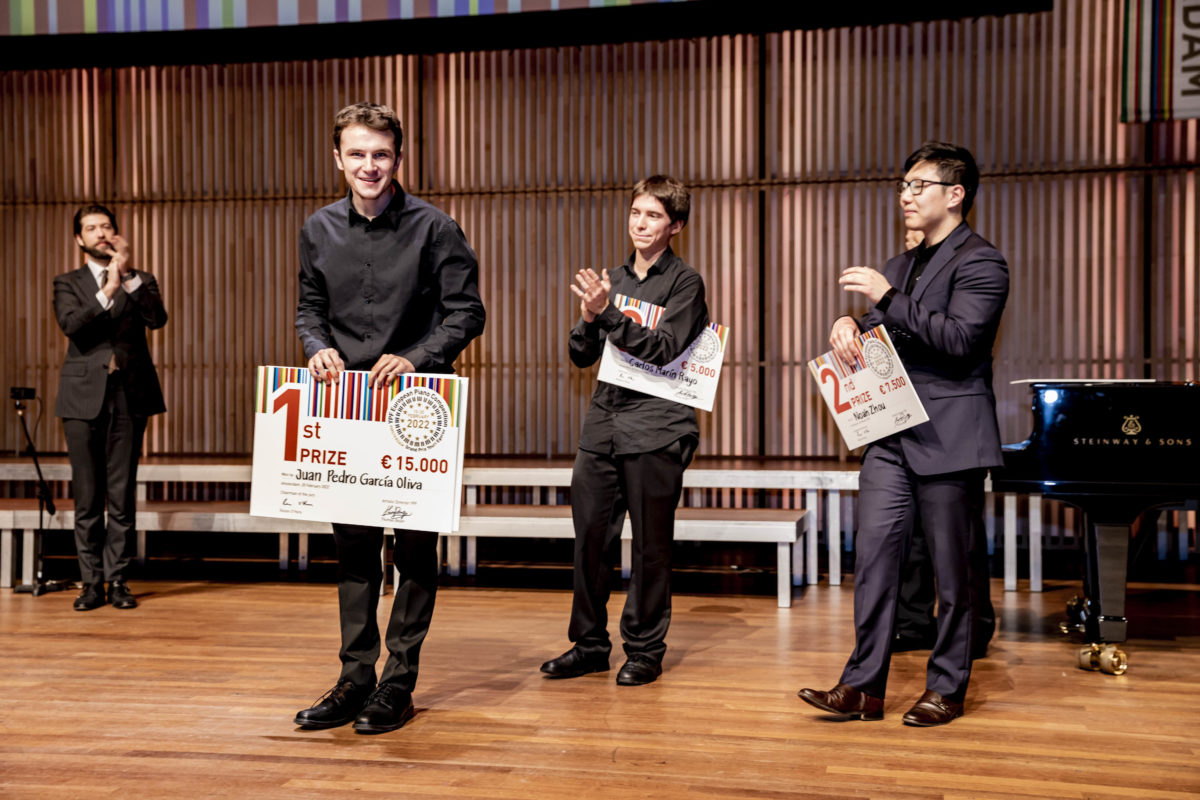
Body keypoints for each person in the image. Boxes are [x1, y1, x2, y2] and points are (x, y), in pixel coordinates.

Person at [798, 142, 1009, 726]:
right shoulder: (897, 265)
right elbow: (872, 328)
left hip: (950, 436)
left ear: (955, 193)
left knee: (952, 571)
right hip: (890, 435)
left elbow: (961, 339)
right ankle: (863, 686)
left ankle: (947, 687)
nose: (906, 195)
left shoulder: (982, 262)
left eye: (919, 185)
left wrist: (886, 299)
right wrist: (846, 321)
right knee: (875, 561)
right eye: (903, 186)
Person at [292, 102, 485, 734]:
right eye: (357, 154)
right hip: (346, 406)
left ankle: (397, 683)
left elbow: (467, 313)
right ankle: (354, 679)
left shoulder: (436, 228)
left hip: (417, 406)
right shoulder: (317, 228)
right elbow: (308, 308)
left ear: (397, 159)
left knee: (414, 550)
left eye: (381, 154)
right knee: (352, 550)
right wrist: (316, 347)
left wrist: (419, 355)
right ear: (339, 159)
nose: (369, 165)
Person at [540, 175, 709, 687]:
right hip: (604, 425)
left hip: (658, 427)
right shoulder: (609, 278)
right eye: (636, 212)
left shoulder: (685, 283)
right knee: (590, 539)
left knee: (651, 546)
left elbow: (664, 349)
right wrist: (589, 316)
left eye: (654, 215)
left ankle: (645, 648)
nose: (641, 223)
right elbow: (580, 354)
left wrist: (606, 311)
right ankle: (589, 644)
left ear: (675, 225)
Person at [54, 204, 168, 612]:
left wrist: (128, 275)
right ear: (79, 240)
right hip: (81, 397)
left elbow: (157, 319)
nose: (100, 233)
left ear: (117, 235)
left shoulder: (142, 280)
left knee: (121, 494)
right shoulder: (67, 283)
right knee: (87, 496)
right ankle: (90, 582)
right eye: (91, 228)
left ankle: (118, 579)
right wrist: (109, 288)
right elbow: (72, 325)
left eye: (106, 227)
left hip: (128, 394)